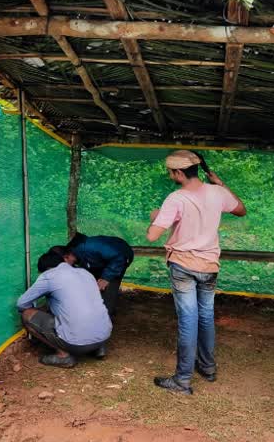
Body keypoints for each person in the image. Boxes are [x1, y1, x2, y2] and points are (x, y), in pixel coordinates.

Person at [146, 150, 246, 395]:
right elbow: (241, 209)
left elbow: (152, 235)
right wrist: (221, 184)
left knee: (188, 321)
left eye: (171, 172)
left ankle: (182, 380)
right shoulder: (217, 192)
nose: (170, 175)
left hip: (183, 265)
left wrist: (156, 217)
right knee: (206, 316)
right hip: (210, 265)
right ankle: (208, 368)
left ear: (179, 173)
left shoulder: (176, 198)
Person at [16, 249, 112, 368]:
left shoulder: (49, 276)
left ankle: (63, 355)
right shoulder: (85, 273)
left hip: (77, 343)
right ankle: (98, 348)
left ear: (46, 269)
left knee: (26, 314)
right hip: (104, 335)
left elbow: (22, 303)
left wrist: (37, 309)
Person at [64, 233, 134, 317]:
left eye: (65, 263)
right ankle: (96, 310)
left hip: (121, 256)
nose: (68, 265)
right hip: (106, 261)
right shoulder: (79, 253)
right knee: (96, 283)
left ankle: (106, 317)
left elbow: (119, 257)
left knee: (109, 287)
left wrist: (106, 278)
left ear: (67, 256)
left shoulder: (89, 248)